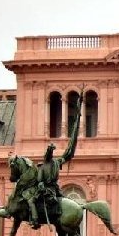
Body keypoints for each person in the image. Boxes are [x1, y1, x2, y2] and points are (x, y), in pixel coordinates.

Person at [23, 95, 82, 229]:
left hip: (47, 191)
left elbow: (39, 181)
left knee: (31, 201)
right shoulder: (55, 163)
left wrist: (75, 132)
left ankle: (35, 220)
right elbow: (68, 154)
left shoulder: (46, 165)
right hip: (53, 190)